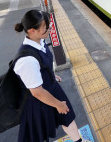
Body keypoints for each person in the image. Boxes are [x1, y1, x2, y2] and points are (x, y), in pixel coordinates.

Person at [13, 10, 91, 142]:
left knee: (67, 115)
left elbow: (43, 64)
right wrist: (58, 105)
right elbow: (37, 92)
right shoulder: (26, 60)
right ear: (32, 30)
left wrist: (51, 76)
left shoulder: (39, 41)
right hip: (36, 100)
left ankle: (79, 141)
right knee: (38, 134)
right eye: (45, 27)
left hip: (50, 88)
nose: (49, 29)